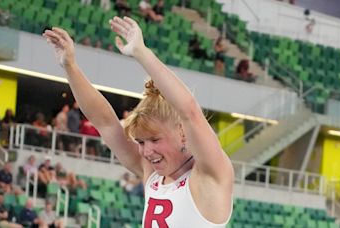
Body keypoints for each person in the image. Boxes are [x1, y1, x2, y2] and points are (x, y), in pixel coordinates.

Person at [43, 16, 234, 227]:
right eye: (141, 142)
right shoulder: (152, 175)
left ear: (182, 133)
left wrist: (141, 53)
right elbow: (105, 122)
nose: (146, 151)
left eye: (154, 139)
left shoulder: (210, 174)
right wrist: (70, 66)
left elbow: (189, 110)